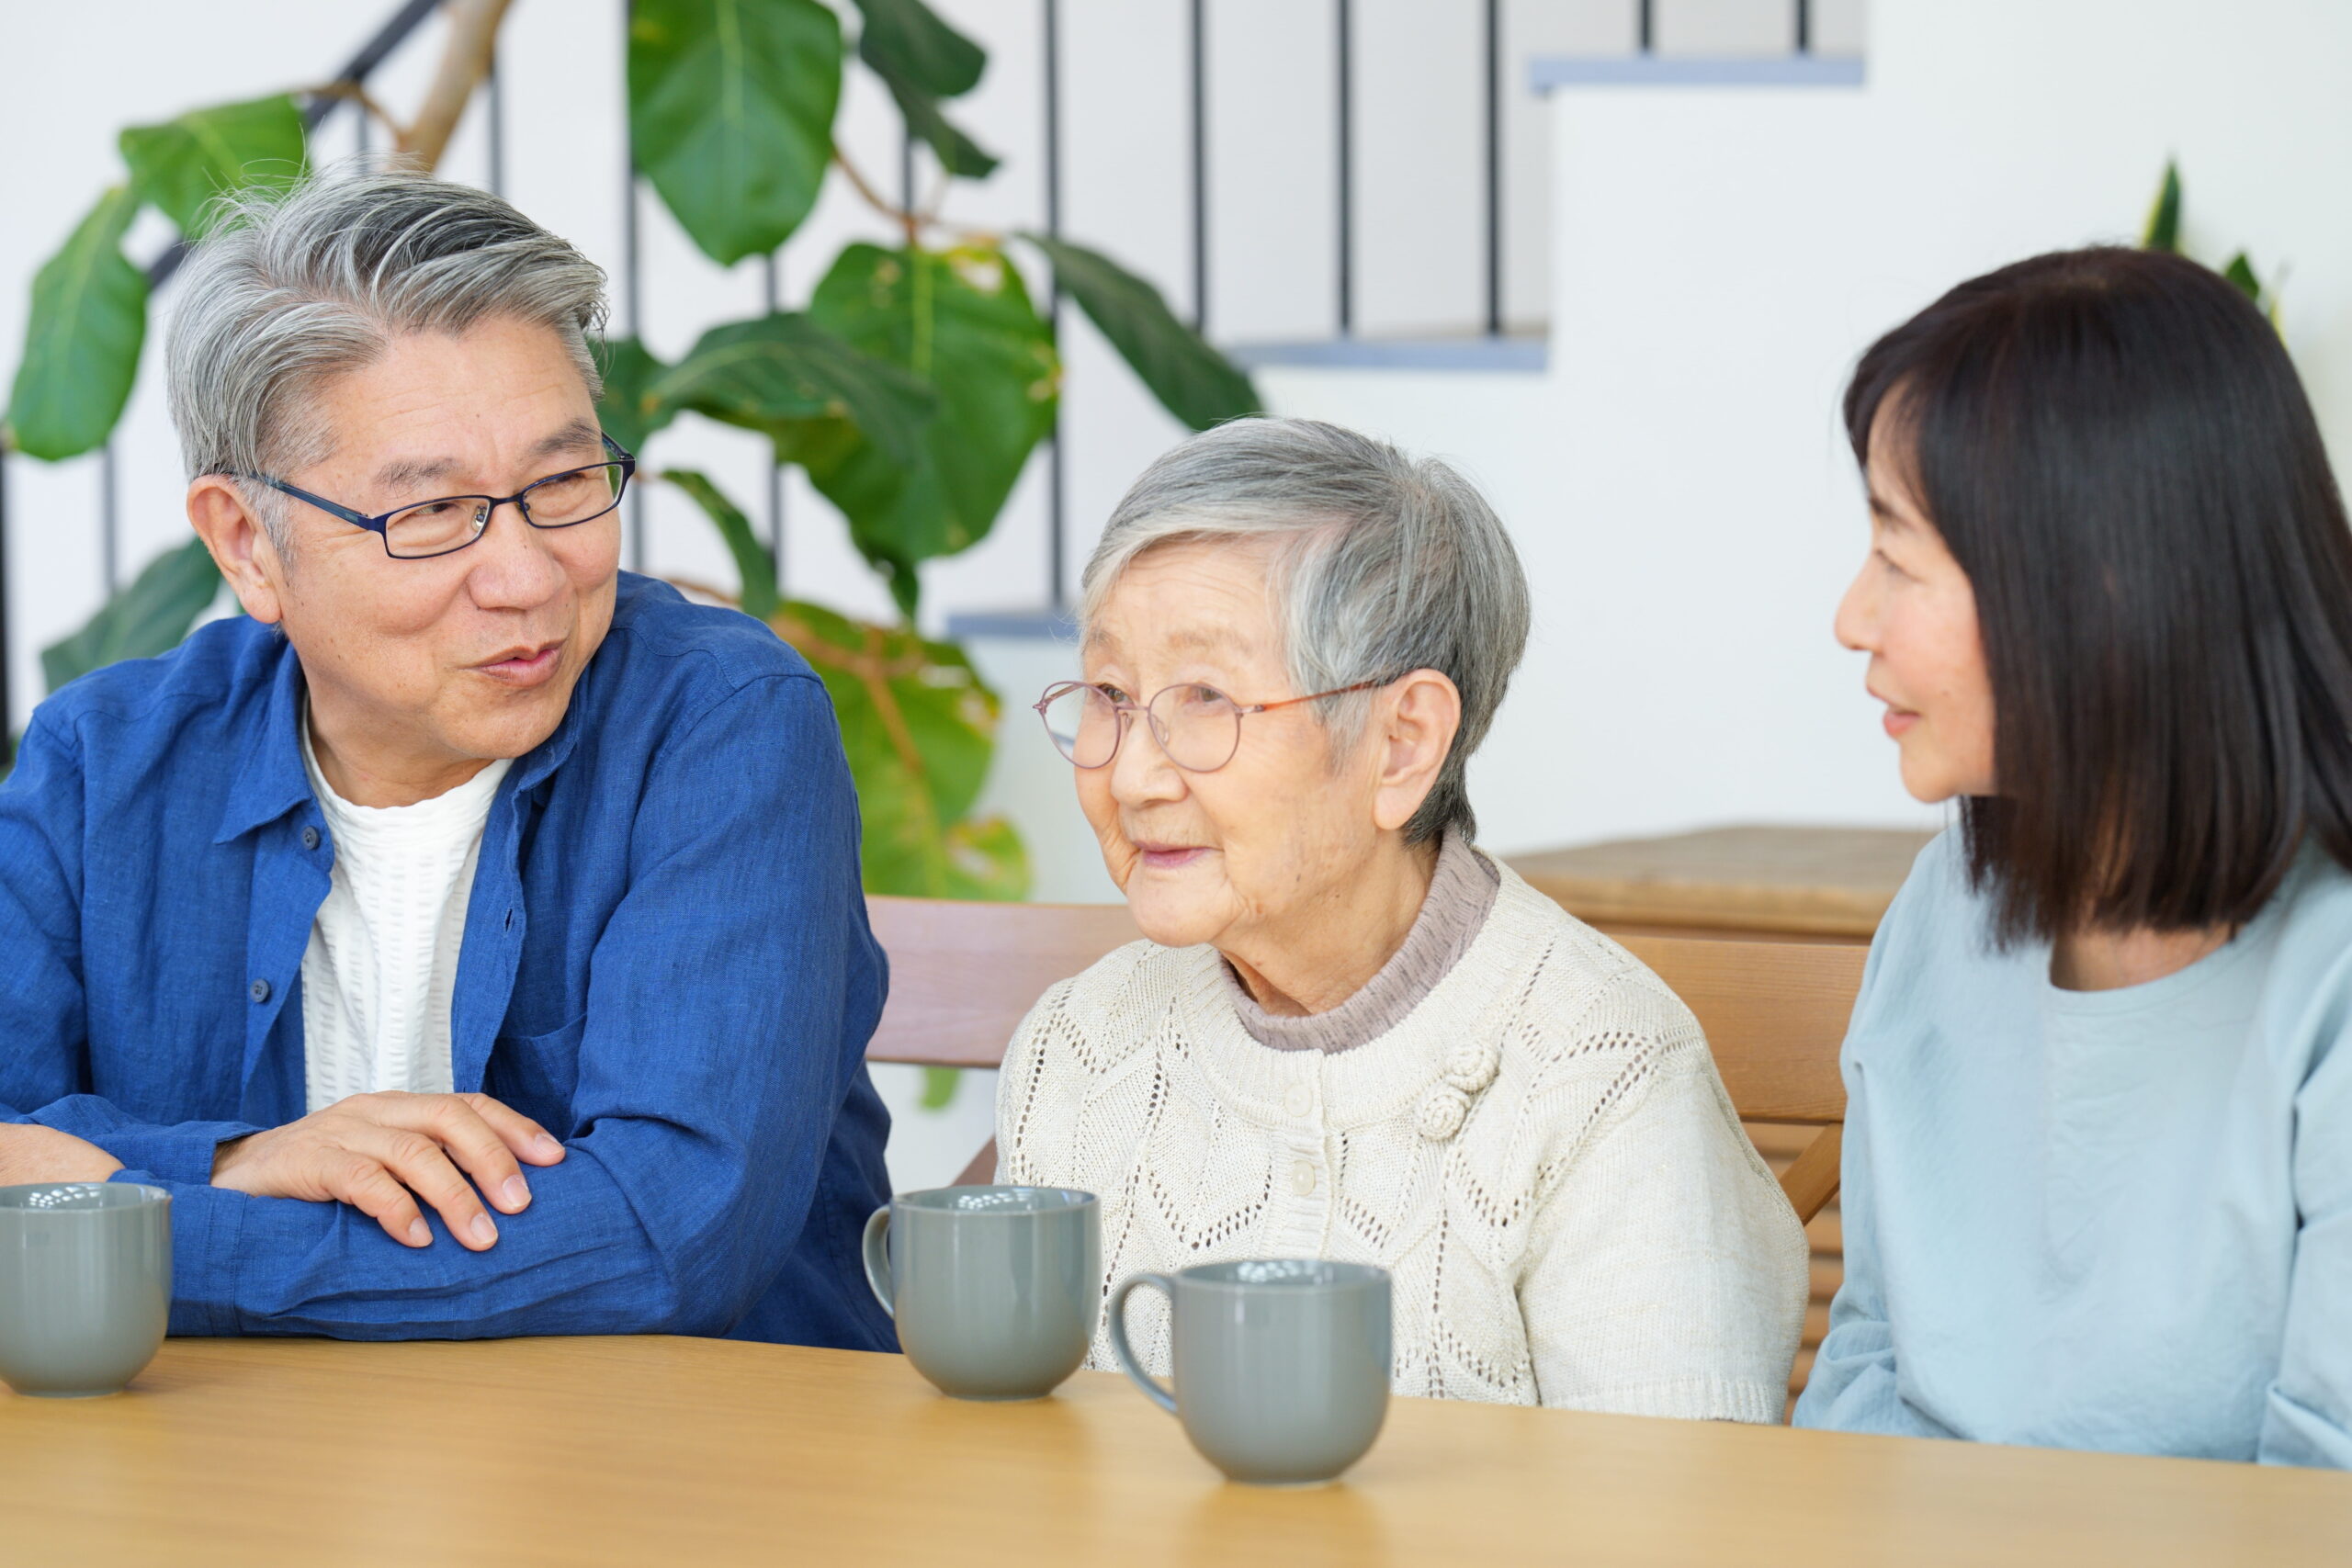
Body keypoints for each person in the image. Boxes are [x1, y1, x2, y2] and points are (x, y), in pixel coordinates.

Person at [0, 170, 894, 1348]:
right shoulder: (100, 766)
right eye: (430, 513)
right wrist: (241, 1160)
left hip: (678, 1481)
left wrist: (141, 1220)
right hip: (241, 1483)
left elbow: (667, 1235)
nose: (527, 577)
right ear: (246, 545)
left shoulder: (719, 721)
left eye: (564, 483)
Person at [995, 418, 1808, 1415]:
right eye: (1111, 692)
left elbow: (1673, 1519)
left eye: (1205, 696)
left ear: (1402, 744)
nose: (1128, 772)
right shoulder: (1079, 1046)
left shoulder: (1601, 1081)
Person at [1793, 247, 2352, 1466]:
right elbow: (1868, 1361)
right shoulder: (1947, 903)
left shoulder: (2332, 980)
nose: (1852, 614)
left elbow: (2325, 1495)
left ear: (2101, 590)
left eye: (1900, 555)